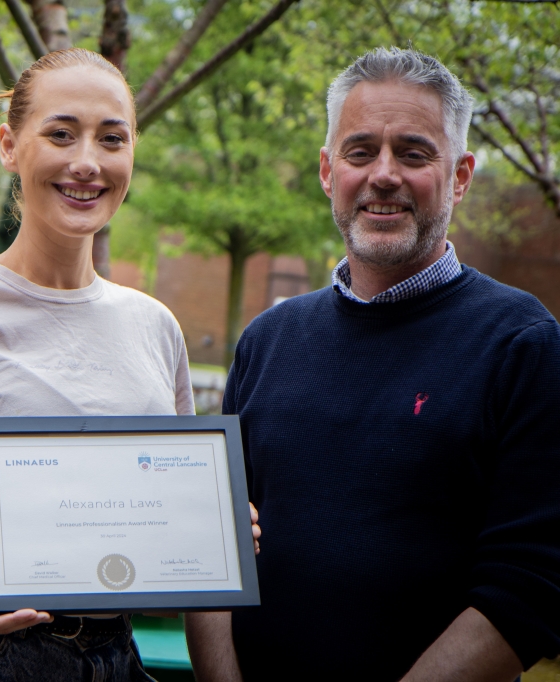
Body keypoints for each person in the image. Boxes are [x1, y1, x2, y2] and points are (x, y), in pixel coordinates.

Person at [0, 47, 260, 681]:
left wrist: (210, 528)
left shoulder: (155, 326)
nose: (87, 162)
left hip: (115, 655)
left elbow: (174, 511)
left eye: (111, 139)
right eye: (60, 134)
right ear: (11, 146)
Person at [186, 46, 560, 681]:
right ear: (330, 172)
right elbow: (211, 548)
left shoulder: (523, 344)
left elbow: (531, 583)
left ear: (461, 175)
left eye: (414, 153)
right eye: (361, 152)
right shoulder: (267, 340)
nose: (383, 174)